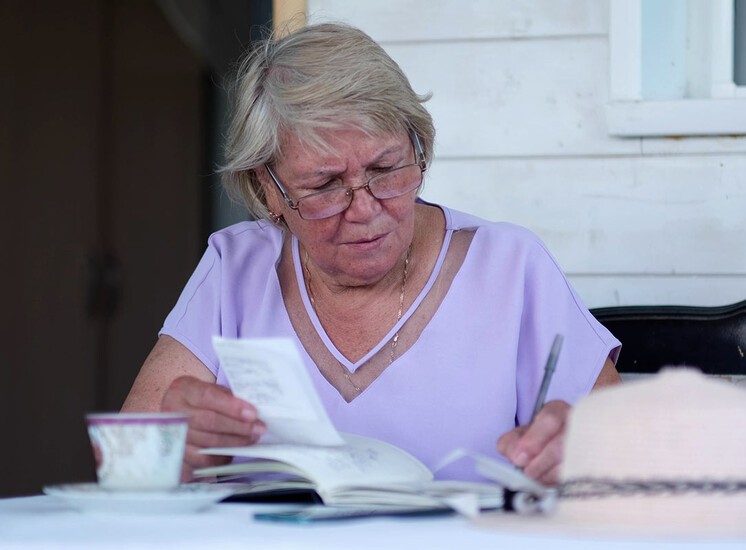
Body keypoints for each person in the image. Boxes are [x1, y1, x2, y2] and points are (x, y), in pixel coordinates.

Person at [121, 22, 621, 485]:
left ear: (418, 148)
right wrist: (181, 447)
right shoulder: (237, 271)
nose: (363, 209)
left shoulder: (510, 267)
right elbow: (125, 462)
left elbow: (637, 455)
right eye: (325, 185)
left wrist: (586, 451)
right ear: (268, 188)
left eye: (385, 170)